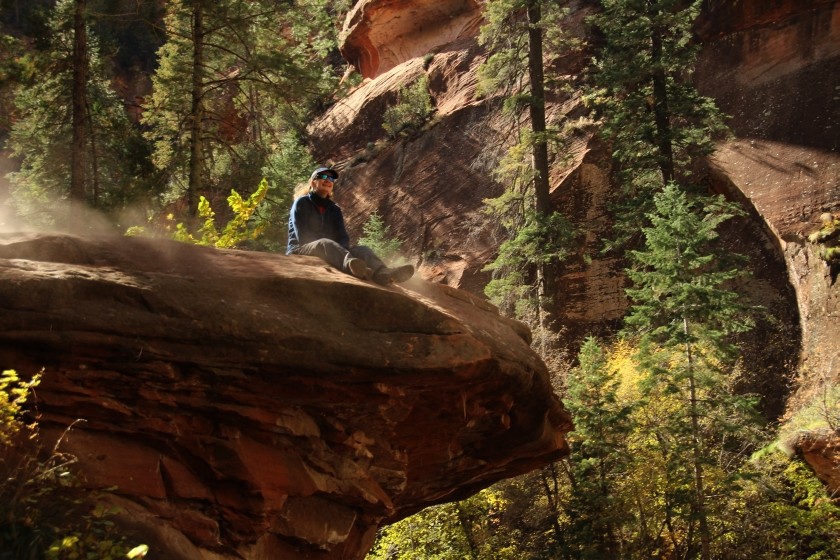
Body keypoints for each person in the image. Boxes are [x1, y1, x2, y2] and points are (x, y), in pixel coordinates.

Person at [287, 166, 414, 285]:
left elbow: (342, 236)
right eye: (323, 177)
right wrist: (334, 249)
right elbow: (302, 235)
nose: (328, 181)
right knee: (325, 243)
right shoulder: (302, 202)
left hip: (330, 249)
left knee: (363, 250)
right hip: (301, 248)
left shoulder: (334, 209)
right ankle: (352, 267)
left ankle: (382, 273)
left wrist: (343, 250)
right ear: (313, 182)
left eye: (331, 179)